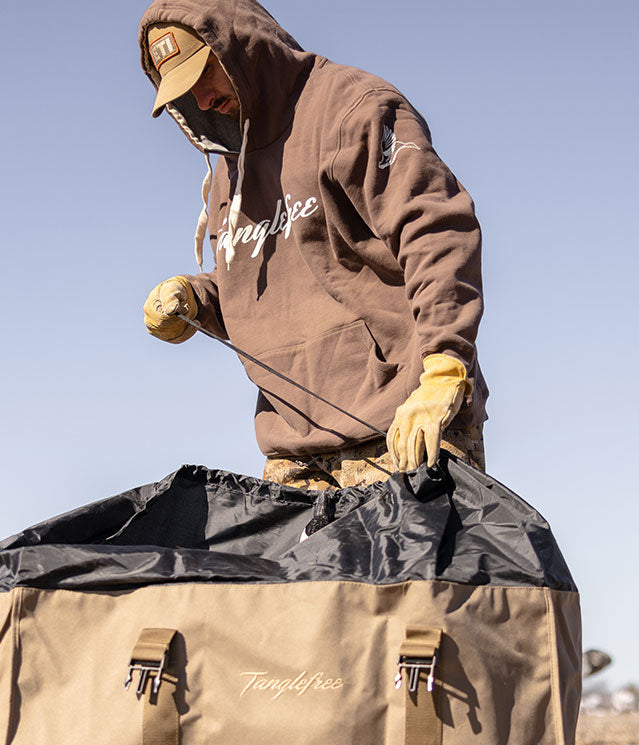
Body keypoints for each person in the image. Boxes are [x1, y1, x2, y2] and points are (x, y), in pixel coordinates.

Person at [138, 0, 488, 490]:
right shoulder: (227, 173)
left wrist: (445, 364)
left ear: (242, 47)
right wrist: (197, 298)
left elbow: (433, 227)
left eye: (203, 72)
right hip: (295, 456)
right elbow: (266, 284)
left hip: (403, 427)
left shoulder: (352, 107)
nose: (199, 98)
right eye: (180, 88)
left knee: (428, 570)